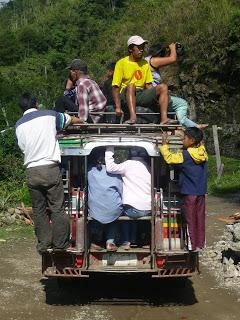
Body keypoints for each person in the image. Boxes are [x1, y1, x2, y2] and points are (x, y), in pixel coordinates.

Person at [15, 92, 84, 253]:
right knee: (57, 208)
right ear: (36, 103)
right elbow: (69, 120)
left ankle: (44, 244)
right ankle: (60, 244)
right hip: (50, 168)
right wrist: (80, 120)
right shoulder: (49, 115)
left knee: (39, 210)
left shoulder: (19, 125)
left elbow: (23, 148)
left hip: (32, 171)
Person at [159, 127, 208, 251]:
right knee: (199, 219)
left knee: (190, 219)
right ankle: (200, 244)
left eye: (184, 138)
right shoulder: (203, 153)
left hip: (189, 194)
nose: (182, 140)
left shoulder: (185, 155)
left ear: (191, 141)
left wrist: (164, 145)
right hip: (201, 193)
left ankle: (192, 245)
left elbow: (169, 158)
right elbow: (201, 145)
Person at [112, 35, 174, 124]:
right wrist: (118, 107)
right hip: (125, 94)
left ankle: (164, 118)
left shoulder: (145, 63)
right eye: (138, 47)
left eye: (142, 47)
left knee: (163, 87)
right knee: (131, 85)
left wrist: (156, 96)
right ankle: (133, 117)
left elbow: (148, 85)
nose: (141, 49)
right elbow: (115, 87)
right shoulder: (121, 63)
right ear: (130, 49)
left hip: (140, 93)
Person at [146, 43, 208, 129]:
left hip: (151, 93)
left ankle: (192, 125)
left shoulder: (145, 61)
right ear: (159, 53)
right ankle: (187, 125)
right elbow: (172, 59)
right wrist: (172, 48)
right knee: (182, 104)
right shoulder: (152, 60)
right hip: (155, 95)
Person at [105, 146, 151, 250]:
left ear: (130, 154)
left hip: (133, 210)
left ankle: (125, 241)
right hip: (148, 209)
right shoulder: (148, 166)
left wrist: (109, 149)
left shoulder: (128, 164)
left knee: (119, 212)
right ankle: (142, 240)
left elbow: (110, 168)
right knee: (134, 214)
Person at [88, 147, 123, 251]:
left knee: (94, 210)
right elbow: (121, 192)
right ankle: (110, 242)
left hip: (95, 210)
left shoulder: (90, 171)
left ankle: (95, 239)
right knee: (116, 212)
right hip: (112, 210)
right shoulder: (116, 173)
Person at [66, 59, 106, 123]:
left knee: (62, 100)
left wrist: (81, 122)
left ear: (76, 71)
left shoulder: (82, 85)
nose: (70, 74)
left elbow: (83, 106)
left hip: (91, 118)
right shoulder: (91, 82)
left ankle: (56, 122)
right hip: (98, 116)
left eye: (71, 71)